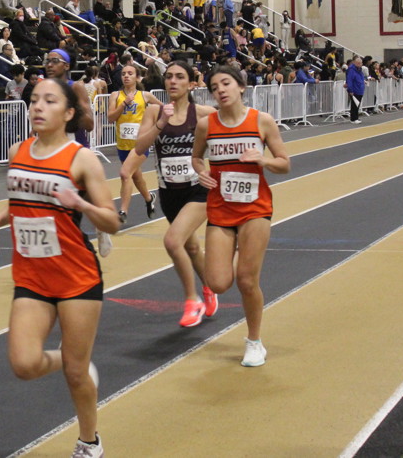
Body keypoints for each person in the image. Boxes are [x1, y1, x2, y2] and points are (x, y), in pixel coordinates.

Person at [0, 78, 119, 458]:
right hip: (32, 277)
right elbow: (22, 199)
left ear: (69, 113)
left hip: (76, 277)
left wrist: (81, 204)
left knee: (76, 375)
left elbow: (111, 221)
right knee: (24, 364)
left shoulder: (81, 159)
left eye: (50, 101)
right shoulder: (17, 151)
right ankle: (71, 360)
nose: (38, 107)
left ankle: (89, 442)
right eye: (34, 100)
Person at [192, 65, 290, 367]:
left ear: (241, 87)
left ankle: (254, 342)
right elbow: (196, 157)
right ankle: (238, 253)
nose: (220, 90)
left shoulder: (261, 121)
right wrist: (201, 172)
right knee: (218, 282)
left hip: (254, 209)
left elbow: (285, 163)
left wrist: (263, 160)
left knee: (247, 280)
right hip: (221, 208)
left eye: (226, 83)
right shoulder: (207, 125)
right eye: (214, 87)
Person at [122, 61, 218, 327]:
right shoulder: (154, 111)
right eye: (169, 77)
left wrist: (214, 173)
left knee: (173, 241)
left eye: (179, 77)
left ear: (191, 83)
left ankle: (192, 301)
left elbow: (225, 144)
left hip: (198, 191)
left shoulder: (204, 114)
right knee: (191, 246)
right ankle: (209, 288)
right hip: (169, 193)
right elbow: (139, 147)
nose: (173, 81)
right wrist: (162, 123)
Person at [107, 63, 159, 225]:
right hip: (123, 144)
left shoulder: (145, 96)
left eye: (130, 73)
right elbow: (110, 118)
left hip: (140, 144)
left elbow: (163, 111)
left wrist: (154, 129)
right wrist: (124, 104)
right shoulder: (115, 95)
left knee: (125, 174)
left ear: (137, 77)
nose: (126, 76)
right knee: (135, 175)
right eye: (124, 74)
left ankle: (123, 211)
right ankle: (149, 198)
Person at [345, 55, 365, 124]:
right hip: (355, 89)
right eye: (359, 63)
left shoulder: (359, 70)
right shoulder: (352, 70)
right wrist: (350, 90)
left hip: (359, 89)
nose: (360, 64)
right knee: (354, 105)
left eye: (361, 63)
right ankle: (353, 118)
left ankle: (356, 117)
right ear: (355, 63)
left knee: (357, 104)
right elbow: (350, 80)